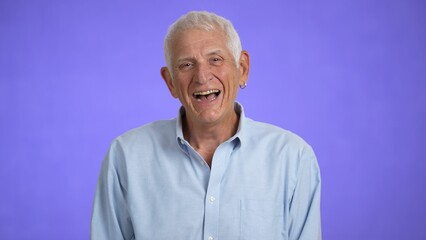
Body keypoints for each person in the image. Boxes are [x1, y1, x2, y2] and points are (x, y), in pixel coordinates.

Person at [91, 10, 321, 240]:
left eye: (215, 59)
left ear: (242, 68)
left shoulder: (293, 158)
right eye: (186, 64)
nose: (202, 76)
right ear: (170, 82)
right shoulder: (126, 157)